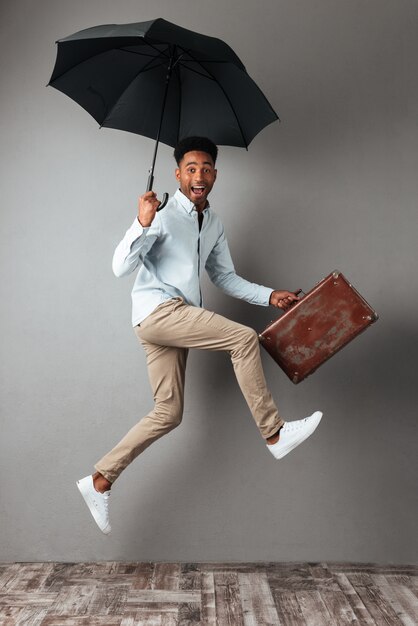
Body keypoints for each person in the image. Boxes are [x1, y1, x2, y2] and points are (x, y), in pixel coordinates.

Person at [77, 137, 322, 534]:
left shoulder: (214, 223)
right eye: (191, 168)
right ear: (177, 174)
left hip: (170, 320)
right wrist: (141, 222)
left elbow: (224, 276)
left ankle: (99, 481)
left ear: (215, 176)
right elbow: (120, 268)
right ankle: (275, 434)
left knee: (168, 414)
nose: (199, 175)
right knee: (243, 339)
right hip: (159, 311)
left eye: (206, 169)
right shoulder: (161, 213)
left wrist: (270, 295)